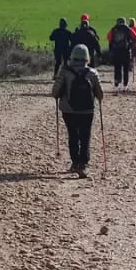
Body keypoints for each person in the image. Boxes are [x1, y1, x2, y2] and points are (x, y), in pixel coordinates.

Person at [52, 44, 104, 177]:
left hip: (69, 110)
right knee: (85, 136)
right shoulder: (92, 73)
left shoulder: (65, 72)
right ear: (87, 58)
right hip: (87, 110)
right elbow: (100, 95)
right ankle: (84, 164)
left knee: (73, 135)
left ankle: (75, 163)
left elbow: (55, 93)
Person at [107, 17, 136, 90]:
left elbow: (109, 37)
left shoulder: (114, 29)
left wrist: (112, 48)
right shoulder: (128, 29)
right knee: (126, 69)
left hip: (116, 52)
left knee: (117, 69)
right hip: (126, 52)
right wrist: (131, 46)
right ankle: (125, 85)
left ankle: (117, 85)